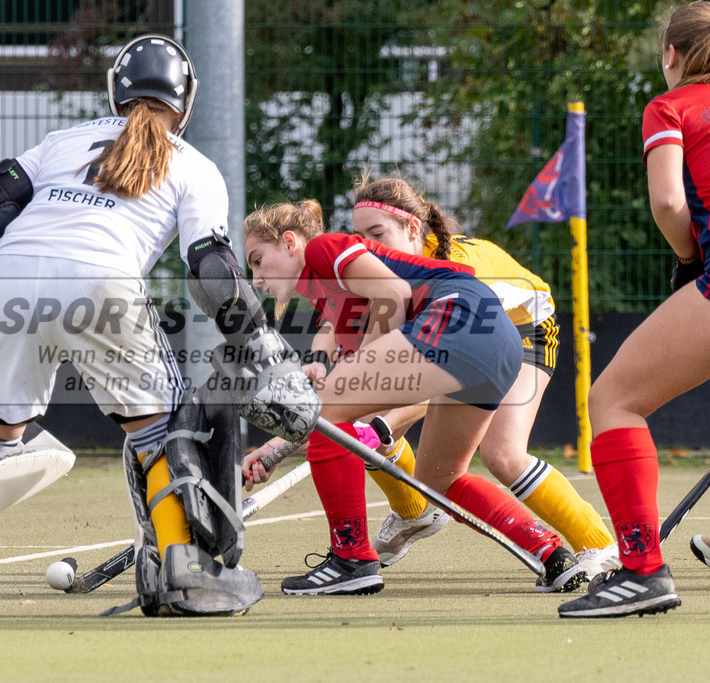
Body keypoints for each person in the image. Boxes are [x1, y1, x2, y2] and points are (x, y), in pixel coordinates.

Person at [0, 34, 318, 617]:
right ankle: (185, 570)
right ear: (186, 105)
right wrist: (263, 347)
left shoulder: (63, 141)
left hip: (6, 282)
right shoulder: (194, 166)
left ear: (115, 91)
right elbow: (211, 268)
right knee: (160, 430)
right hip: (101, 285)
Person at [241, 199, 588, 596]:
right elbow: (333, 404)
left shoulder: (324, 249)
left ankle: (351, 559)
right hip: (499, 340)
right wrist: (273, 449)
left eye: (257, 260)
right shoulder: (334, 299)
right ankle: (550, 552)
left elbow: (393, 291)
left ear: (289, 243)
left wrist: (357, 367)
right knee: (441, 478)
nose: (256, 279)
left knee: (327, 413)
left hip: (457, 314)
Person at [347, 174, 618, 580]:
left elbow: (437, 378)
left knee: (503, 453)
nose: (367, 245)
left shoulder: (453, 276)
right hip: (476, 344)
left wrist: (384, 422)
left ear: (413, 229)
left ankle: (599, 545)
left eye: (377, 233)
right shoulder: (391, 277)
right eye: (358, 235)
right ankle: (414, 514)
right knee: (435, 477)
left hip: (527, 331)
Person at [558, 2, 710, 618]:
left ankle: (643, 571)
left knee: (613, 400)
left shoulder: (670, 107)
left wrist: (690, 255)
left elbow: (670, 201)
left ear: (671, 54)